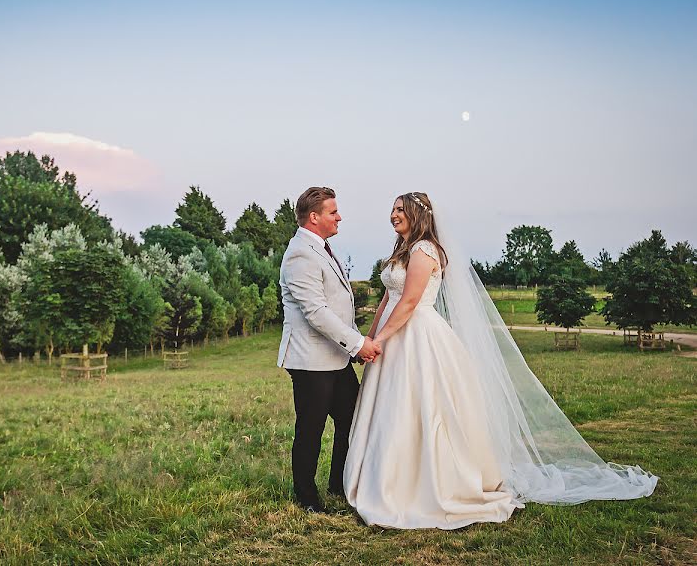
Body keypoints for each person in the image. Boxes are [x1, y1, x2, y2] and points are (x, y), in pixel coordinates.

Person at [344, 191, 658, 529]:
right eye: (392, 209)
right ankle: (386, 476)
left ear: (418, 215)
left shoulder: (424, 251)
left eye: (399, 210)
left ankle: (421, 484)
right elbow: (387, 301)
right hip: (392, 336)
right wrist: (368, 340)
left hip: (417, 335)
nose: (392, 215)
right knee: (392, 406)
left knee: (423, 406)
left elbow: (408, 304)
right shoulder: (400, 251)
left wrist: (380, 339)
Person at [278, 186, 381, 513]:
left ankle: (340, 482)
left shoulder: (322, 248)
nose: (339, 217)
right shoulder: (299, 253)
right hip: (310, 361)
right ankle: (306, 498)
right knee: (310, 429)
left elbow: (337, 308)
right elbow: (317, 312)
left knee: (352, 420)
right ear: (314, 217)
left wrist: (351, 349)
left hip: (336, 360)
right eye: (333, 212)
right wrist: (358, 343)